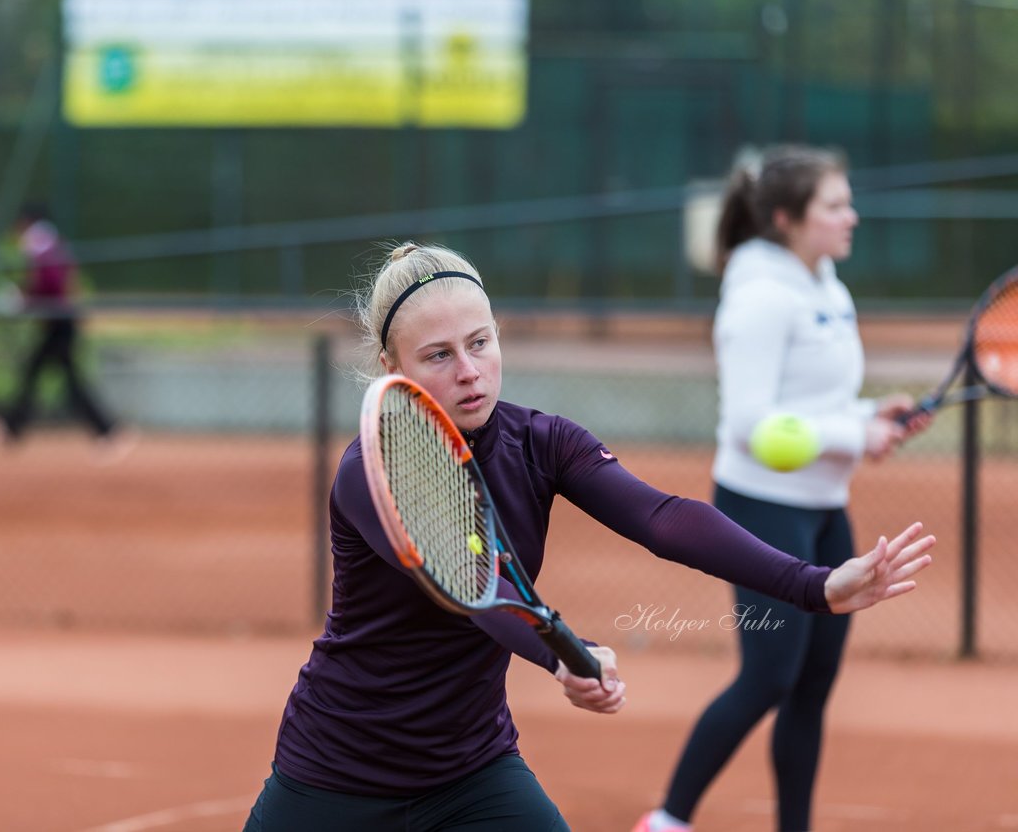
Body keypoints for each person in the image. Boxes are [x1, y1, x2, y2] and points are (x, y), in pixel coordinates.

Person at [243, 240, 935, 832]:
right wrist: (562, 656)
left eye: (481, 342)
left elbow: (663, 518)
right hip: (336, 771)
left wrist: (812, 585)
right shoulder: (375, 467)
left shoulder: (541, 442)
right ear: (396, 372)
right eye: (439, 355)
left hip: (471, 768)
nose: (469, 371)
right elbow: (477, 591)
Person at [634, 145, 933, 832]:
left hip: (824, 509)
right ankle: (669, 820)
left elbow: (812, 402)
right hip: (762, 510)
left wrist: (866, 415)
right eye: (834, 205)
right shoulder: (761, 297)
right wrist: (853, 437)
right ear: (786, 218)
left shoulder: (825, 281)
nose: (851, 216)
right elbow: (749, 423)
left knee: (814, 683)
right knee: (768, 676)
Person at [0, 203, 134, 462]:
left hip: (60, 322)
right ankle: (12, 428)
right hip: (58, 322)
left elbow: (49, 282)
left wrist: (22, 299)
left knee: (60, 379)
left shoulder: (39, 244)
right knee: (40, 373)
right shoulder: (50, 242)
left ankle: (109, 430)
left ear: (26, 222)